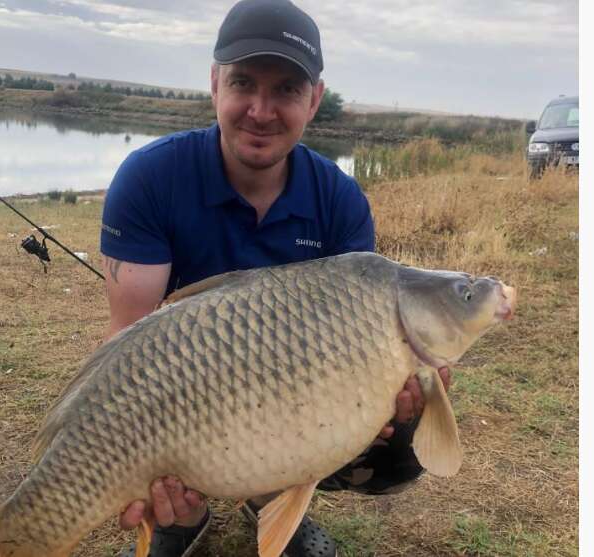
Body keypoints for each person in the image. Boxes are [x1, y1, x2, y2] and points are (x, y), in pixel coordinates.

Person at [100, 1, 450, 556]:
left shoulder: (338, 200)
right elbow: (126, 341)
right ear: (214, 83)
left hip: (286, 394)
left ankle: (271, 504)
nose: (261, 110)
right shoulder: (150, 178)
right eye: (243, 82)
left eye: (286, 89)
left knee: (395, 443)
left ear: (313, 99)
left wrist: (393, 398)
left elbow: (354, 345)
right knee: (148, 448)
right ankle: (179, 517)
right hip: (179, 397)